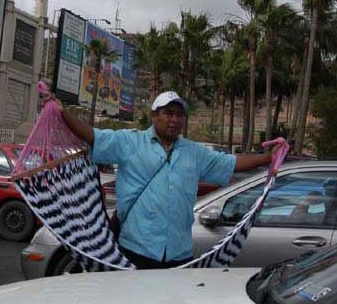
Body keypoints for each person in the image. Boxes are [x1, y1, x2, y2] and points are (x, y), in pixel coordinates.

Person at [43, 90, 278, 269]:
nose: (174, 120)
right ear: (154, 116)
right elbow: (92, 136)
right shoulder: (130, 143)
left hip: (179, 255)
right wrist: (61, 111)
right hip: (136, 251)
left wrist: (269, 158)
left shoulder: (194, 153)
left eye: (179, 115)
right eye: (168, 113)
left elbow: (232, 163)